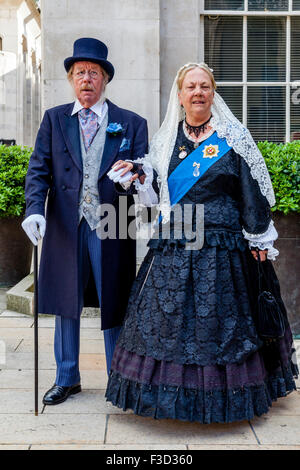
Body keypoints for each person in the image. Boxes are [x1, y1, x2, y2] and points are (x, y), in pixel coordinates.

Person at [105, 63, 298, 424]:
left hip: (224, 247)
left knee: (222, 324)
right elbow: (157, 196)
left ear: (213, 93)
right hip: (175, 243)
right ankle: (170, 399)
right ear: (179, 96)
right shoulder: (166, 140)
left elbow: (250, 192)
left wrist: (258, 236)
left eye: (205, 86)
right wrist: (138, 175)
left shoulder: (233, 137)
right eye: (190, 86)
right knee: (167, 322)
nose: (198, 92)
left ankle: (226, 398)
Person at [21, 38, 148, 405]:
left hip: (115, 219)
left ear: (105, 78)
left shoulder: (131, 122)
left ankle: (119, 378)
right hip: (66, 220)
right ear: (70, 79)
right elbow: (38, 170)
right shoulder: (54, 118)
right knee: (65, 298)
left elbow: (146, 173)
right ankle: (67, 377)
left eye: (94, 72)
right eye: (80, 73)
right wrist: (33, 209)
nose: (86, 79)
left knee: (116, 298)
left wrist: (137, 173)